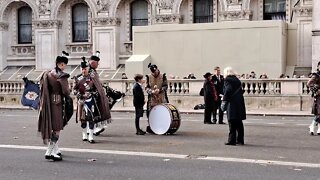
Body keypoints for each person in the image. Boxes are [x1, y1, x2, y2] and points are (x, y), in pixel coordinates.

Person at [38, 51, 71, 161]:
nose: (65, 66)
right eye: (65, 64)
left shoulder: (47, 74)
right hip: (57, 103)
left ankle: (56, 151)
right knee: (57, 128)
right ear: (61, 64)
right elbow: (66, 92)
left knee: (52, 127)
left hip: (48, 103)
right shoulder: (61, 76)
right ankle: (49, 151)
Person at [73, 57, 99, 143]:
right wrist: (79, 95)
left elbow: (97, 88)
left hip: (90, 100)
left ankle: (91, 136)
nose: (84, 71)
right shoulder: (77, 78)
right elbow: (74, 90)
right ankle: (84, 134)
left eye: (85, 69)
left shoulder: (92, 78)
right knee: (83, 119)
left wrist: (94, 93)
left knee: (91, 118)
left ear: (88, 69)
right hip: (82, 101)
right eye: (82, 69)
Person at [88, 51, 112, 136]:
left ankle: (91, 129)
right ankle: (92, 129)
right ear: (93, 63)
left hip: (95, 95)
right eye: (97, 63)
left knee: (94, 112)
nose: (98, 65)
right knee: (93, 112)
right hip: (91, 95)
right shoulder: (90, 72)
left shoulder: (93, 71)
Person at [221, 67, 246, 146]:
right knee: (239, 122)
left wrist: (224, 98)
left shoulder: (227, 80)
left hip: (232, 103)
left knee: (231, 121)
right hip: (239, 102)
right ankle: (240, 140)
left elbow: (228, 89)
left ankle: (232, 140)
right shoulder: (237, 80)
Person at [145, 63, 169, 133]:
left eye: (155, 72)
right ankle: (153, 126)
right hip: (152, 98)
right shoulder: (148, 77)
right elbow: (146, 87)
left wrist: (160, 90)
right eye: (153, 72)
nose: (155, 74)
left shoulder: (163, 76)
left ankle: (164, 126)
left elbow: (165, 86)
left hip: (162, 97)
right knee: (151, 113)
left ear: (157, 69)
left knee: (164, 112)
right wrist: (151, 91)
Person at [307, 61, 320, 135]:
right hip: (318, 96)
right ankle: (312, 126)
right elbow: (309, 83)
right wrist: (316, 90)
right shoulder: (316, 75)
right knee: (319, 113)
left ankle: (318, 128)